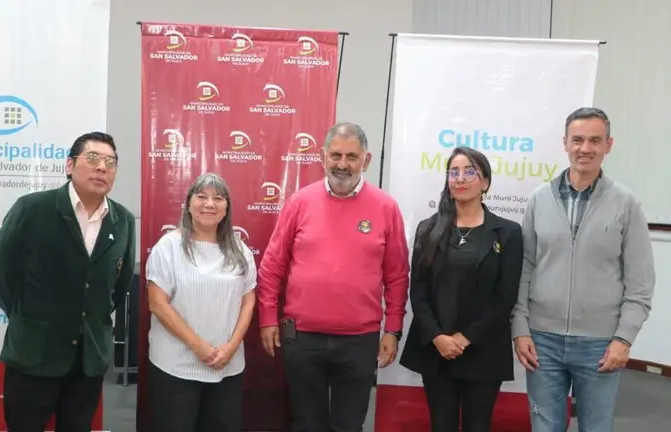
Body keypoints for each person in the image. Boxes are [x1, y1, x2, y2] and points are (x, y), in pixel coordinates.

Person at [257, 122, 410, 431]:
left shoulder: (386, 207)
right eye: (336, 155)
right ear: (322, 157)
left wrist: (393, 330)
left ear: (366, 160)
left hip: (359, 341)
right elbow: (272, 266)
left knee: (348, 425)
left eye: (352, 157)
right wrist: (268, 318)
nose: (343, 164)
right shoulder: (299, 202)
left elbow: (397, 275)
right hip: (302, 338)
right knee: (307, 424)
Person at [512, 107, 655, 431]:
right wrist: (520, 328)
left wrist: (624, 339)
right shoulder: (539, 199)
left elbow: (641, 283)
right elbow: (524, 268)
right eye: (577, 139)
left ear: (608, 145)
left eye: (595, 140)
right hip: (543, 341)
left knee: (596, 427)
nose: (585, 148)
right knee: (544, 427)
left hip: (600, 344)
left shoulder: (626, 203)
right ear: (565, 143)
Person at [0, 131, 136, 431]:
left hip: (88, 360)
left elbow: (119, 287)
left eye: (110, 162)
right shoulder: (32, 209)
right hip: (34, 353)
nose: (102, 167)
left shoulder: (123, 220)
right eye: (92, 158)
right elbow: (1, 271)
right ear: (70, 165)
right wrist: (27, 319)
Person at [398, 147, 524, 432]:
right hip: (437, 349)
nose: (461, 179)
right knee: (441, 424)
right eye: (454, 172)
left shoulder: (508, 233)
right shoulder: (428, 229)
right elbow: (418, 291)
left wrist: (466, 337)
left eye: (469, 172)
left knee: (478, 425)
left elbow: (505, 296)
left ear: (485, 183)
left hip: (483, 348)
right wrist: (438, 337)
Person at [145, 173, 257, 432]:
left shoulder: (240, 250)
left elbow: (248, 301)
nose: (209, 204)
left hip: (227, 365)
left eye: (218, 198)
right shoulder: (169, 246)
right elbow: (158, 303)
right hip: (175, 364)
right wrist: (197, 345)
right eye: (202, 197)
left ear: (226, 208)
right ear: (188, 204)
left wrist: (232, 346)